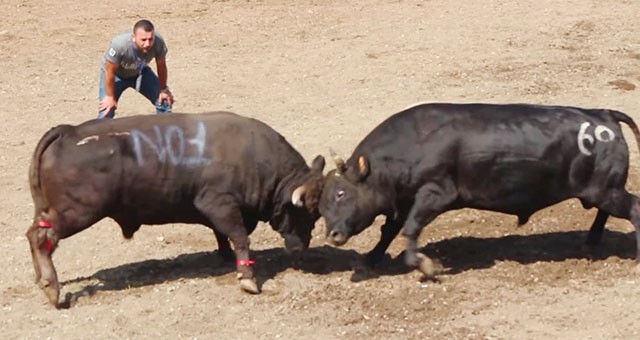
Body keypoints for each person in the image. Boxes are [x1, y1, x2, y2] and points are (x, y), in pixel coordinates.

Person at [98, 19, 174, 119]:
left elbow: (161, 66)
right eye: (143, 40)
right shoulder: (119, 45)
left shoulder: (158, 42)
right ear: (134, 37)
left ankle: (164, 132)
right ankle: (101, 134)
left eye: (150, 39)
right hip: (116, 76)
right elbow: (110, 71)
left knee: (164, 102)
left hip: (141, 72)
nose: (147, 44)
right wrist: (110, 97)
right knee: (106, 111)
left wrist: (163, 89)